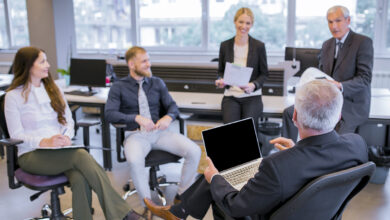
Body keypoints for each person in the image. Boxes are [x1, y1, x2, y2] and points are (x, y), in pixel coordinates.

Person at [143, 79, 368, 220]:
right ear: (338, 116)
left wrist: (215, 180)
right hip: (319, 212)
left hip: (271, 212)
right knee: (224, 169)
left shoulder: (277, 166)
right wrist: (298, 149)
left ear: (296, 117)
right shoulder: (357, 145)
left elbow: (236, 206)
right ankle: (179, 212)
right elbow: (318, 162)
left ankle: (180, 211)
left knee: (217, 181)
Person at [4, 46, 139, 220]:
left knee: (80, 177)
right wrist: (45, 141)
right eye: (42, 61)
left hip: (60, 151)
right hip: (31, 154)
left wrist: (66, 135)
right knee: (80, 156)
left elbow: (68, 120)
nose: (48, 65)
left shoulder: (54, 90)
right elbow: (16, 134)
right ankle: (123, 214)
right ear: (28, 66)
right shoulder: (13, 97)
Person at [105, 46, 201, 207]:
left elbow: (173, 107)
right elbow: (109, 114)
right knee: (135, 161)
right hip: (135, 135)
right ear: (131, 64)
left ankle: (182, 194)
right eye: (144, 61)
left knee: (194, 151)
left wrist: (168, 117)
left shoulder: (157, 83)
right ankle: (148, 204)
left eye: (149, 60)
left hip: (159, 133)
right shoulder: (118, 87)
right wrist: (136, 118)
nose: (149, 64)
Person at [282, 5, 373, 142]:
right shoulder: (327, 45)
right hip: (326, 100)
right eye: (330, 22)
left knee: (334, 140)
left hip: (350, 105)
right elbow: (322, 73)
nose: (334, 26)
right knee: (290, 113)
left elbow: (365, 79)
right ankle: (289, 152)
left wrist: (340, 85)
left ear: (348, 21)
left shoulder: (362, 42)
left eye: (338, 21)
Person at [215, 7, 268, 129]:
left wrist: (253, 85)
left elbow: (264, 74)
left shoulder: (259, 46)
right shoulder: (225, 45)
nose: (244, 26)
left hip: (252, 96)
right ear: (235, 22)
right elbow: (220, 71)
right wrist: (220, 80)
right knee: (231, 130)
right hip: (231, 95)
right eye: (241, 22)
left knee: (247, 130)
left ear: (251, 25)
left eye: (248, 23)